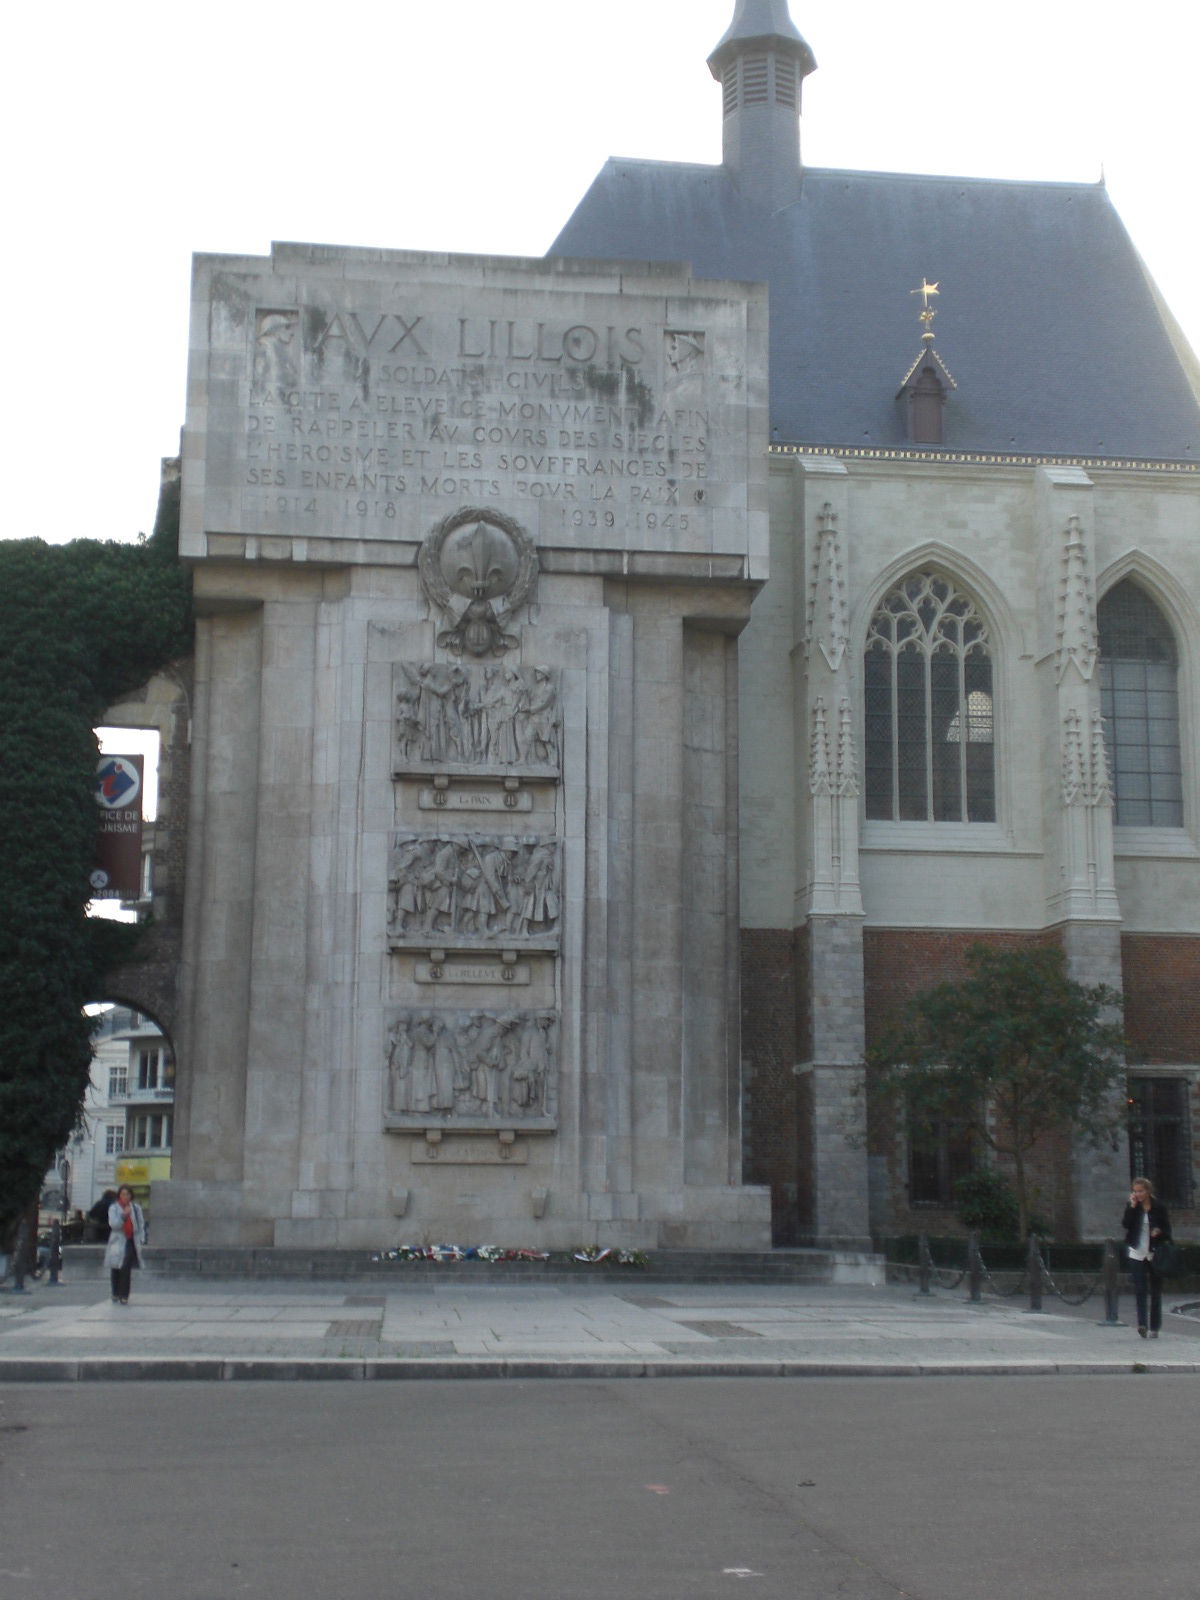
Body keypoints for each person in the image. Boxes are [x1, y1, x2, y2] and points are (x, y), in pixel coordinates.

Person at [1122, 1176, 1172, 1339]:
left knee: (1156, 1291)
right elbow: (1126, 1224)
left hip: (1154, 1253)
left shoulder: (1159, 1207)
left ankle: (1155, 1327)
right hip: (1137, 1252)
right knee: (1140, 1289)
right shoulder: (1133, 1206)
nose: (1138, 1194)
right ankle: (1142, 1324)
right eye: (1135, 1191)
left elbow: (1167, 1230)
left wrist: (1158, 1232)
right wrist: (1132, 1206)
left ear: (1148, 1191)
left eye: (1141, 1191)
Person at [104, 1186, 146, 1305]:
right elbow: (114, 1224)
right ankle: (115, 1292)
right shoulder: (114, 1208)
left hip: (130, 1240)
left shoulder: (136, 1208)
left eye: (127, 1194)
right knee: (116, 1267)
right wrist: (124, 1215)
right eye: (122, 1194)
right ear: (119, 1195)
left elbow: (140, 1224)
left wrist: (141, 1238)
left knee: (126, 1268)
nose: (125, 1196)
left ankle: (124, 1295)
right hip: (118, 1240)